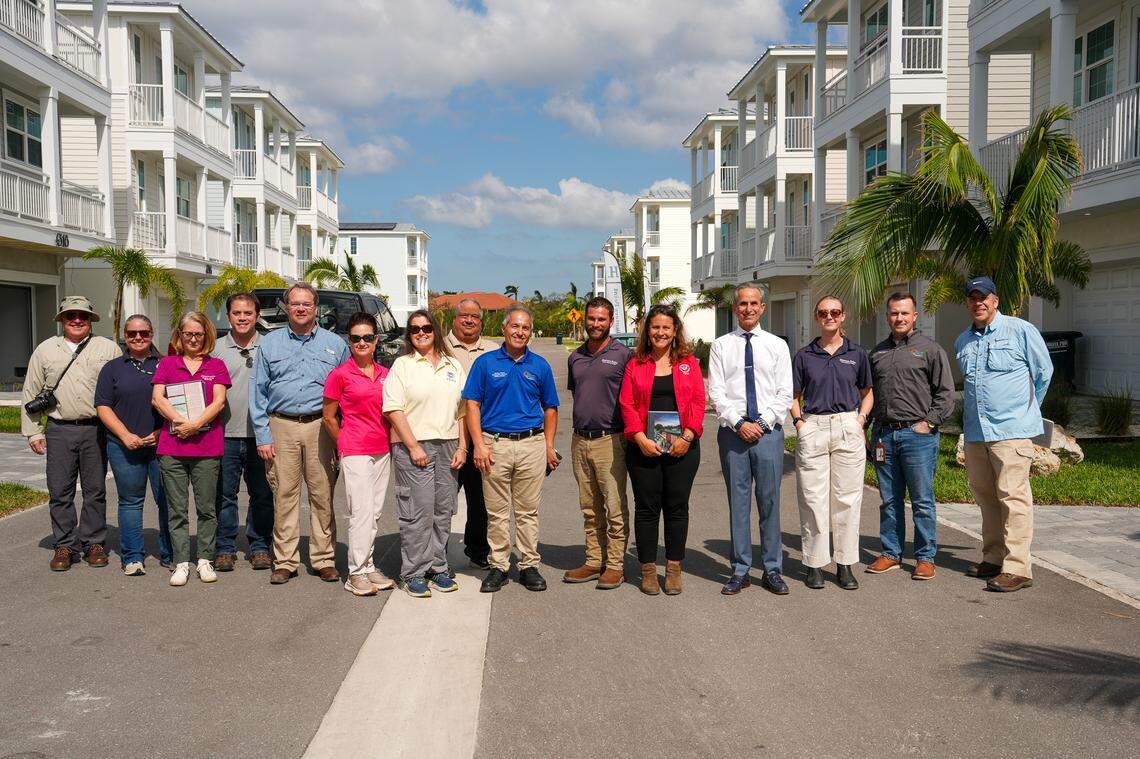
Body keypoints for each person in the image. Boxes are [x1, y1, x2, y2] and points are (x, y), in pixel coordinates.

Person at [954, 276, 1052, 593]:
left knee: (1014, 497)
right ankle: (994, 558)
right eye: (972, 298)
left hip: (1011, 431)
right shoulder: (963, 341)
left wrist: (1027, 410)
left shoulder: (1021, 331)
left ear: (996, 300)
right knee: (986, 497)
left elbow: (1043, 373)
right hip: (976, 432)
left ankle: (1018, 568)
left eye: (983, 297)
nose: (977, 302)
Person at [250, 283, 349, 585]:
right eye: (295, 304)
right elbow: (258, 392)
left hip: (322, 426)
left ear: (316, 308)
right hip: (282, 426)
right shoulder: (270, 344)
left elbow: (348, 390)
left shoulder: (335, 344)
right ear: (287, 307)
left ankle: (324, 559)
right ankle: (285, 560)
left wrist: (345, 434)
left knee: (322, 496)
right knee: (284, 495)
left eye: (307, 304)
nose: (301, 309)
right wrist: (263, 436)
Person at [463, 305, 560, 593]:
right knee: (497, 512)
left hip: (531, 444)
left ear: (531, 331)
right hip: (496, 445)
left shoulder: (540, 365)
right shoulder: (485, 363)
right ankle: (499, 566)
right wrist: (479, 445)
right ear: (505, 329)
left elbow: (551, 409)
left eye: (526, 327)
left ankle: (529, 565)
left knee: (528, 511)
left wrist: (549, 446)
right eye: (515, 326)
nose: (520, 332)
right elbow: (472, 405)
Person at [21, 296, 121, 571]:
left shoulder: (108, 349)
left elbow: (120, 388)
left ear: (91, 320)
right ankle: (64, 544)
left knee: (95, 490)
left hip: (96, 429)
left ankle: (93, 542)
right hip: (59, 429)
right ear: (62, 320)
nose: (77, 320)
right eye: (70, 316)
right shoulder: (45, 350)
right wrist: (33, 432)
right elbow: (31, 391)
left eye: (83, 316)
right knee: (60, 490)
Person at [708, 284, 793, 596]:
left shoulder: (777, 346)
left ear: (762, 308)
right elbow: (716, 391)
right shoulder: (721, 346)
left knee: (769, 503)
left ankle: (772, 570)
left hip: (768, 434)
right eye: (742, 304)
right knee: (738, 503)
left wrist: (761, 422)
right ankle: (740, 569)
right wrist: (739, 422)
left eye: (753, 303)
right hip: (733, 434)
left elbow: (785, 391)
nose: (748, 308)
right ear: (735, 308)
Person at [866, 292, 955, 580]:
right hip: (884, 436)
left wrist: (928, 424)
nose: (899, 318)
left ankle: (925, 557)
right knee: (889, 500)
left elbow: (945, 394)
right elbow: (869, 396)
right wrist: (864, 429)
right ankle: (891, 553)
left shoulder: (930, 350)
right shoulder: (877, 353)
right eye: (894, 313)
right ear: (887, 316)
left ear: (915, 316)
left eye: (905, 313)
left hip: (917, 437)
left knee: (922, 500)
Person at [618, 304, 705, 596]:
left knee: (677, 508)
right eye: (655, 327)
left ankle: (673, 569)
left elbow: (697, 401)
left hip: (683, 447)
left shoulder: (688, 362)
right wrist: (640, 438)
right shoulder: (636, 364)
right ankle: (647, 570)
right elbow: (627, 404)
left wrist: (689, 435)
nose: (660, 332)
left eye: (666, 327)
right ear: (647, 330)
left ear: (675, 330)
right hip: (644, 447)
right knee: (646, 508)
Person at [790, 296, 873, 591]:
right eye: (824, 312)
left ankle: (845, 563)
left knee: (847, 498)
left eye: (835, 312)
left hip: (847, 426)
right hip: (814, 426)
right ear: (816, 316)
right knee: (813, 498)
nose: (830, 316)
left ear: (843, 316)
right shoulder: (804, 355)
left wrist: (860, 421)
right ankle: (814, 563)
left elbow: (867, 392)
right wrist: (800, 425)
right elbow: (794, 396)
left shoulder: (857, 353)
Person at [383, 310, 467, 597]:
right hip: (413, 446)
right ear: (409, 334)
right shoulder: (402, 365)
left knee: (443, 511)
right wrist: (413, 446)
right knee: (417, 512)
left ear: (436, 331)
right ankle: (414, 572)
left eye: (427, 328)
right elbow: (394, 409)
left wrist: (463, 446)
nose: (421, 332)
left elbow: (463, 411)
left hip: (448, 445)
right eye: (415, 329)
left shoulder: (452, 365)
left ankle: (437, 567)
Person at [151, 312, 231, 587]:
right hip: (172, 447)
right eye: (188, 334)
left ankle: (205, 559)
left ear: (206, 336)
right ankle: (182, 561)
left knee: (207, 508)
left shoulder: (217, 365)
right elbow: (157, 398)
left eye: (199, 334)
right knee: (177, 509)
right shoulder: (167, 364)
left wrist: (195, 424)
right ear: (179, 336)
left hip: (207, 448)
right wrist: (181, 423)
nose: (194, 339)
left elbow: (219, 402)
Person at [323, 312, 395, 597]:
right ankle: (355, 573)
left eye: (367, 337)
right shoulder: (340, 375)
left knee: (374, 512)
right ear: (349, 342)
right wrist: (345, 445)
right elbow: (329, 417)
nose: (362, 342)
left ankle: (368, 566)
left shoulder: (386, 374)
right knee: (361, 512)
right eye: (356, 338)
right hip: (355, 450)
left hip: (382, 450)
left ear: (376, 340)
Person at [95, 314, 171, 575]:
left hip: (162, 445)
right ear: (125, 337)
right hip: (122, 445)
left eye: (144, 333)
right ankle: (132, 557)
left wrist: (161, 432)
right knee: (130, 501)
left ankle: (170, 553)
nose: (138, 338)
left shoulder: (166, 364)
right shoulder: (113, 368)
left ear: (152, 334)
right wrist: (125, 435)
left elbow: (179, 404)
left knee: (168, 500)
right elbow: (103, 406)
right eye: (132, 334)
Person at [564, 296, 631, 589]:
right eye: (591, 318)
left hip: (611, 440)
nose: (595, 324)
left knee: (614, 506)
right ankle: (594, 560)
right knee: (589, 507)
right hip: (580, 440)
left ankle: (615, 565)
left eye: (601, 319)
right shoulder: (575, 357)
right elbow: (577, 393)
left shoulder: (623, 355)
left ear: (611, 322)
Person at [212, 293, 274, 571]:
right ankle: (225, 547)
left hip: (262, 436)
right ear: (228, 316)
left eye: (248, 313)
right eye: (236, 313)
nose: (242, 317)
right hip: (224, 434)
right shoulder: (214, 349)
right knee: (225, 495)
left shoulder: (270, 346)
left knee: (262, 494)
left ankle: (260, 546)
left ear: (257, 316)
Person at [445, 298, 498, 570]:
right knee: (442, 499)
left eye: (475, 317)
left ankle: (477, 549)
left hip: (482, 437)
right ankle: (435, 551)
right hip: (446, 436)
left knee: (480, 500)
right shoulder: (439, 347)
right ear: (455, 318)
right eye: (464, 315)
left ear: (481, 321)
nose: (469, 320)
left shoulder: (493, 350)